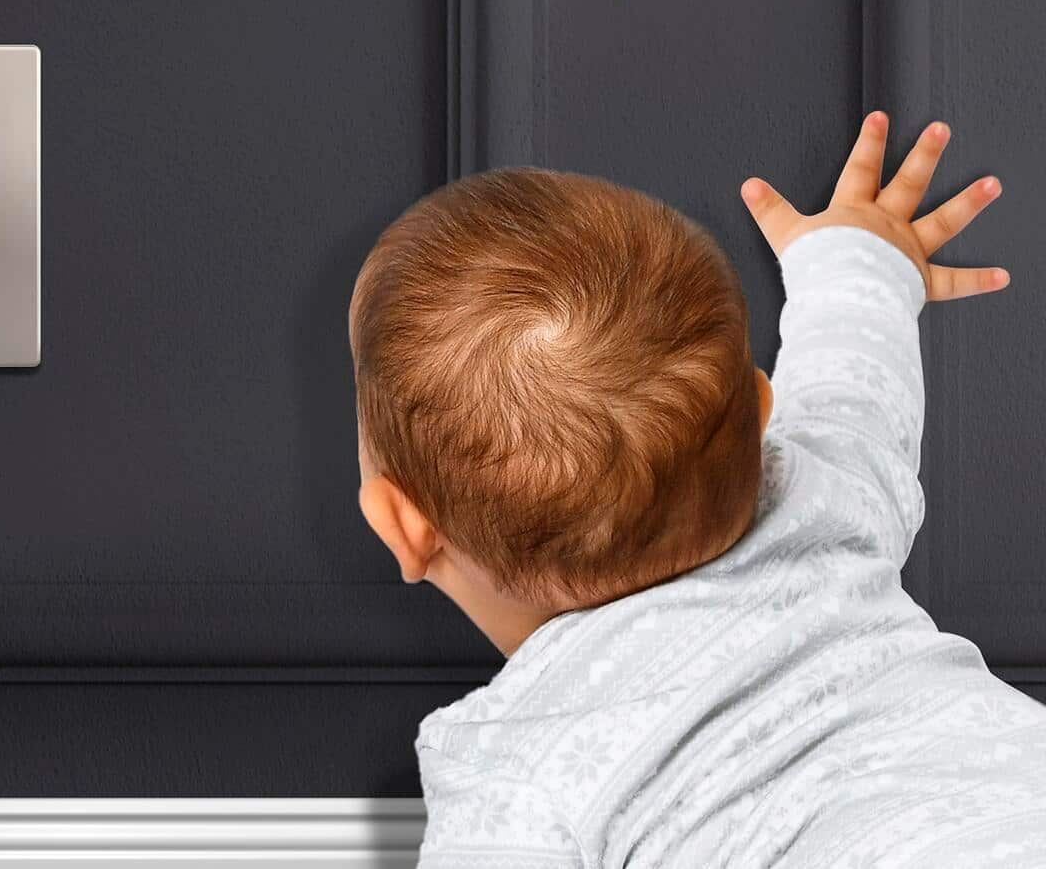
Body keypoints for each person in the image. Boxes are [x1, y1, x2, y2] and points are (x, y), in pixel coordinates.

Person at [348, 111, 1046, 866]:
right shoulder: (825, 501)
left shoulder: (514, 772)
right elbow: (852, 379)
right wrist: (861, 254)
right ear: (761, 408)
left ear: (402, 524)